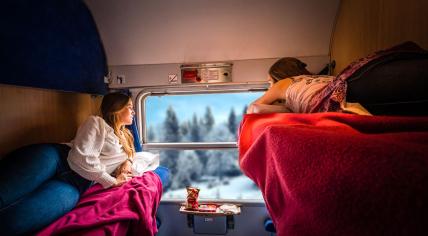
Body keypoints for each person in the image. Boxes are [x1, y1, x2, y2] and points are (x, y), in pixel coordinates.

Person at [0, 92, 169, 235]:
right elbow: (80, 158)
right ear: (117, 109)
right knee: (5, 194)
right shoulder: (96, 123)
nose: (133, 111)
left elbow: (132, 155)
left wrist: (128, 161)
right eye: (130, 107)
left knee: (17, 222)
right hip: (58, 159)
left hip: (77, 184)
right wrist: (111, 181)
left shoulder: (127, 136)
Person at [247, 57, 370, 115]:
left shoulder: (282, 84)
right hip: (353, 85)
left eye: (270, 82)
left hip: (332, 100)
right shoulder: (314, 79)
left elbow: (252, 109)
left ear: (279, 76)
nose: (269, 87)